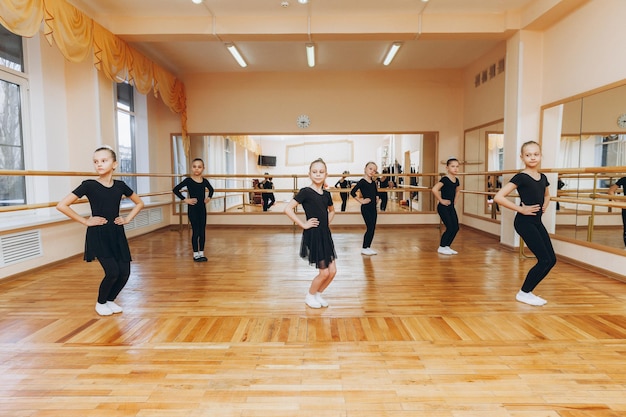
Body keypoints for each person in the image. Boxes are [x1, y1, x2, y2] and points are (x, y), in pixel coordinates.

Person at [56, 145, 144, 316]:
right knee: (112, 272)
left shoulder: (120, 186)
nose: (99, 164)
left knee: (125, 273)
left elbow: (139, 203)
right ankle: (101, 302)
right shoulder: (89, 185)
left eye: (104, 161)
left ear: (115, 164)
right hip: (99, 234)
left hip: (117, 233)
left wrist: (127, 219)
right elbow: (62, 205)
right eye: (96, 162)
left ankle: (110, 300)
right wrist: (85, 221)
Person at [494, 141, 556, 306]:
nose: (532, 157)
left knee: (551, 260)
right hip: (524, 222)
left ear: (541, 155)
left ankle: (527, 292)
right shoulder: (521, 177)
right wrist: (521, 209)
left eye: (536, 154)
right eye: (528, 155)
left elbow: (548, 195)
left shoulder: (543, 178)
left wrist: (545, 204)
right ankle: (524, 292)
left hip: (536, 222)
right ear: (522, 157)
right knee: (544, 260)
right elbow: (498, 197)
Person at [284, 158, 337, 309]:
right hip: (314, 236)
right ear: (309, 174)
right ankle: (309, 296)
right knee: (324, 273)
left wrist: (327, 221)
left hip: (325, 235)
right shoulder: (305, 192)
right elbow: (287, 209)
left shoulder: (326, 194)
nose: (318, 174)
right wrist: (303, 224)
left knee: (332, 271)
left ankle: (317, 295)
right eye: (315, 172)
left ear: (326, 174)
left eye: (321, 172)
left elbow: (332, 211)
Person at [172, 158, 215, 262]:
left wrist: (208, 198)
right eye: (194, 166)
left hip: (202, 209)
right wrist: (185, 199)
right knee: (195, 231)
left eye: (199, 167)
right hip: (193, 209)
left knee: (202, 232)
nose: (197, 169)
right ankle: (195, 254)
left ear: (203, 169)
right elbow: (175, 189)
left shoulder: (204, 181)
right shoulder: (188, 181)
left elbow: (211, 190)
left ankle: (202, 253)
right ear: (191, 168)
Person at [431, 158, 461, 255]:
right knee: (450, 227)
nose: (455, 168)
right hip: (443, 207)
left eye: (457, 166)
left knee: (456, 227)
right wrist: (441, 200)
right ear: (447, 168)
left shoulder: (456, 180)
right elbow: (434, 189)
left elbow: (458, 190)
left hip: (451, 207)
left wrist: (455, 199)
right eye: (453, 166)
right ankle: (441, 247)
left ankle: (447, 246)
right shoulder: (445, 179)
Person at [351, 161, 379, 255]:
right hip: (366, 208)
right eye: (370, 169)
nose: (372, 171)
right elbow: (352, 192)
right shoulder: (362, 182)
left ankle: (368, 247)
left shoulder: (373, 182)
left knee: (373, 228)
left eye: (374, 170)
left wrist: (377, 197)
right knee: (370, 227)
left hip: (373, 208)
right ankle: (364, 247)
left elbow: (376, 192)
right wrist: (361, 201)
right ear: (365, 169)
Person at [608, 176, 626, 247]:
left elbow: (610, 191)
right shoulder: (624, 179)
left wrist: (619, 202)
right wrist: (619, 202)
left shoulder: (624, 179)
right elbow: (610, 191)